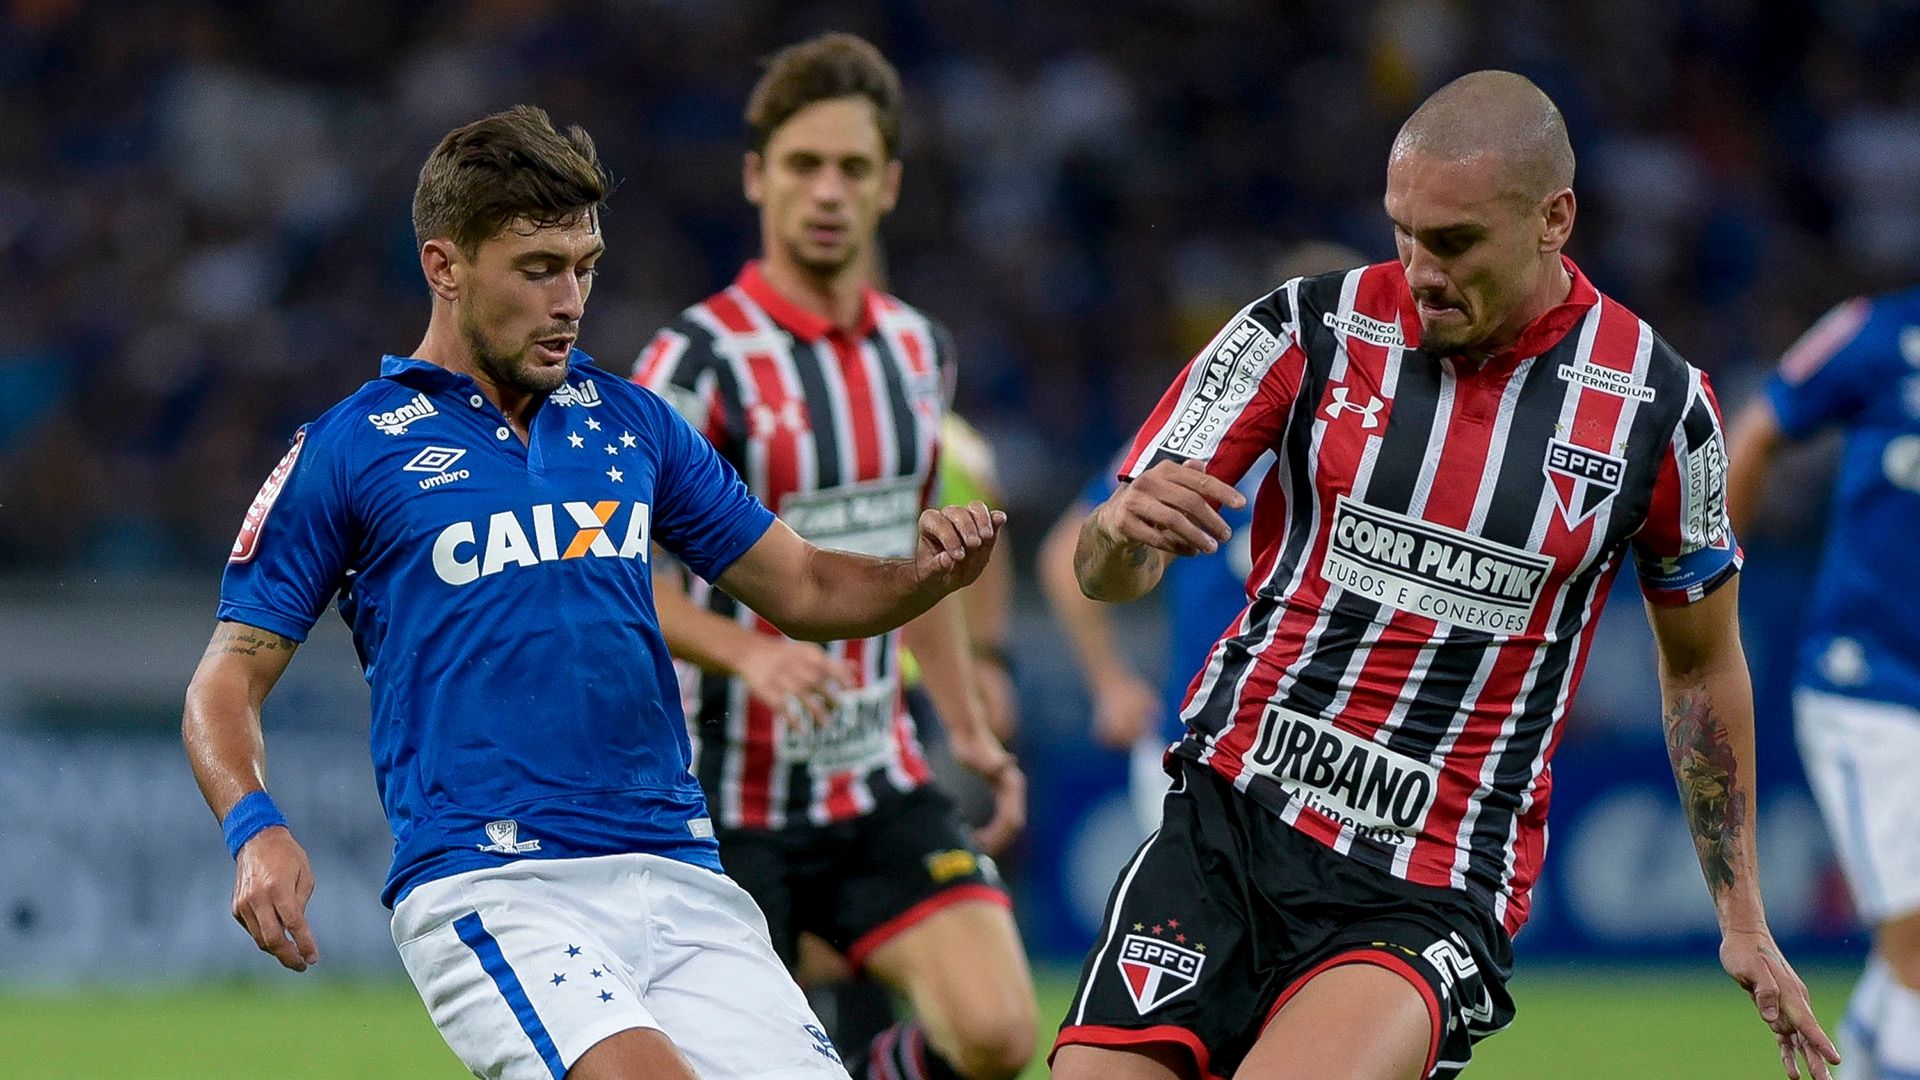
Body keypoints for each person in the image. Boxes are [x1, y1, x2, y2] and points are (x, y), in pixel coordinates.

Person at [182, 104, 1007, 1080]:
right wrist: (255, 827)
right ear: (445, 267)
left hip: (682, 871)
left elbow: (808, 585)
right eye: (538, 270)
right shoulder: (352, 447)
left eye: (584, 266)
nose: (570, 298)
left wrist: (925, 577)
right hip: (496, 878)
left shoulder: (632, 424)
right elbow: (224, 683)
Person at [1050, 71, 1839, 1080]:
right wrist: (1119, 532)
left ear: (1555, 219)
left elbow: (1700, 664)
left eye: (1456, 241)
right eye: (1403, 233)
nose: (1420, 269)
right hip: (1229, 826)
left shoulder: (1662, 410)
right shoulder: (1304, 328)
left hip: (1426, 882)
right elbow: (1103, 569)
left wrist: (1743, 918)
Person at [630, 34, 1037, 1080]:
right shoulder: (693, 362)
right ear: (757, 175)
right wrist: (750, 654)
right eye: (803, 164)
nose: (827, 191)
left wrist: (968, 728)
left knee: (997, 1035)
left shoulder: (917, 351)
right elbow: (612, 571)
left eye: (852, 168)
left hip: (874, 784)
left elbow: (916, 574)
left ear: (889, 185)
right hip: (723, 807)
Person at [1040, 244, 1359, 838]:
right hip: (1198, 750)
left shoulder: (1399, 451)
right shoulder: (1211, 428)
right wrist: (1110, 683)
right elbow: (1069, 551)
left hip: (1337, 767)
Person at [1727, 287, 1920, 1080]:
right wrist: (1710, 589)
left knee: (1910, 960)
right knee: (1916, 944)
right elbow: (1758, 427)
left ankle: (1871, 1054)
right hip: (1868, 682)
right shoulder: (1883, 333)